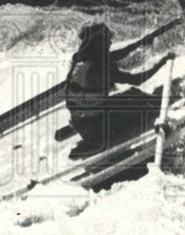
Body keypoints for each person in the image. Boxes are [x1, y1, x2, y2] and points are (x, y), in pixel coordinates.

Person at [64, 22, 175, 159]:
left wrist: (144, 41)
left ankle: (158, 103)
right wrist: (163, 62)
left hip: (82, 120)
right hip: (95, 127)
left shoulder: (81, 58)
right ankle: (165, 108)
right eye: (107, 40)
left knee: (133, 94)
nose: (110, 43)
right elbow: (137, 80)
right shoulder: (99, 70)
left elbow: (123, 52)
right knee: (139, 100)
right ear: (99, 44)